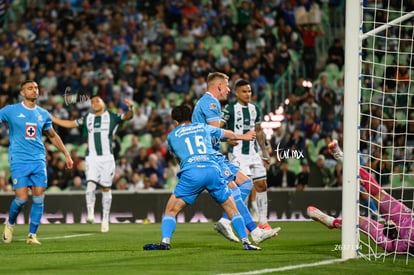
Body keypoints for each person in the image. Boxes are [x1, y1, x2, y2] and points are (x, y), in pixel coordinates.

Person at [143, 105, 274, 250]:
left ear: (175, 121)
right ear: (191, 117)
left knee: (171, 210)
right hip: (213, 170)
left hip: (192, 173)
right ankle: (246, 242)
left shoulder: (172, 136)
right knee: (232, 209)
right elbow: (226, 134)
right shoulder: (202, 127)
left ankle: (165, 242)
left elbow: (178, 159)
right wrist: (244, 136)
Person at [192, 72, 279, 243]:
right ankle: (251, 231)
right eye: (226, 86)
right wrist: (240, 137)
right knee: (236, 190)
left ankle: (230, 222)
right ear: (218, 87)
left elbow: (215, 133)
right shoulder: (212, 103)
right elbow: (216, 132)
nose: (228, 89)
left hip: (213, 155)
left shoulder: (206, 102)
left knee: (245, 183)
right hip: (210, 156)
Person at [308, 140, 414, 254]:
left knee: (359, 220)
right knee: (378, 192)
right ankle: (341, 157)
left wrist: (394, 238)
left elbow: (402, 248)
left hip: (401, 243)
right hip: (407, 218)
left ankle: (330, 221)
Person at [1, 80, 73, 245]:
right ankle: (10, 223)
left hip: (39, 160)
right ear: (22, 92)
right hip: (19, 160)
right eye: (29, 88)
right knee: (21, 199)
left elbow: (53, 136)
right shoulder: (11, 111)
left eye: (35, 88)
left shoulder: (43, 114)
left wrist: (66, 153)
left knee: (39, 198)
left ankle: (32, 235)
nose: (34, 90)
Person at [51, 93, 134, 233]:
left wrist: (131, 107)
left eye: (97, 101)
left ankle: (105, 219)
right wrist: (53, 119)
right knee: (90, 183)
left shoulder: (111, 116)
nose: (94, 103)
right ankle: (90, 214)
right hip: (92, 157)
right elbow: (71, 124)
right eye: (92, 102)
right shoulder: (87, 118)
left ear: (103, 103)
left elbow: (127, 116)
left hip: (107, 158)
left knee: (106, 188)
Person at [221, 79, 273, 228]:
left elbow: (258, 131)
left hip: (253, 153)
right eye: (244, 91)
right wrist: (226, 140)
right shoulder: (230, 109)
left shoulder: (255, 108)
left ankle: (263, 221)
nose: (248, 94)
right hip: (237, 154)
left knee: (262, 184)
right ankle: (244, 223)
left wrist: (264, 153)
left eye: (249, 91)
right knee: (244, 187)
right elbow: (218, 129)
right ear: (236, 93)